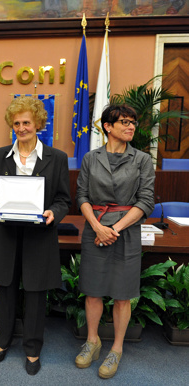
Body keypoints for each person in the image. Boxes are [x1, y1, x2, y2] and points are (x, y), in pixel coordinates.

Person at [0, 96, 71, 375]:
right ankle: (3, 342)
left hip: (39, 237)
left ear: (38, 125)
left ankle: (32, 350)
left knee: (35, 294)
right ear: (12, 125)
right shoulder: (0, 155)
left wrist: (53, 214)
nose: (21, 128)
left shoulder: (56, 158)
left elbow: (63, 199)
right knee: (6, 290)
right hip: (7, 235)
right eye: (17, 123)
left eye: (27, 123)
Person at [74, 104, 155, 379]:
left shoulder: (142, 159)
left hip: (126, 231)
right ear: (107, 127)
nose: (131, 126)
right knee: (93, 290)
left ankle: (116, 348)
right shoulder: (90, 158)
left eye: (133, 122)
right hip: (94, 229)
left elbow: (146, 201)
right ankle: (93, 341)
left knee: (122, 294)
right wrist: (97, 227)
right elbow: (82, 196)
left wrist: (114, 229)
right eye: (124, 122)